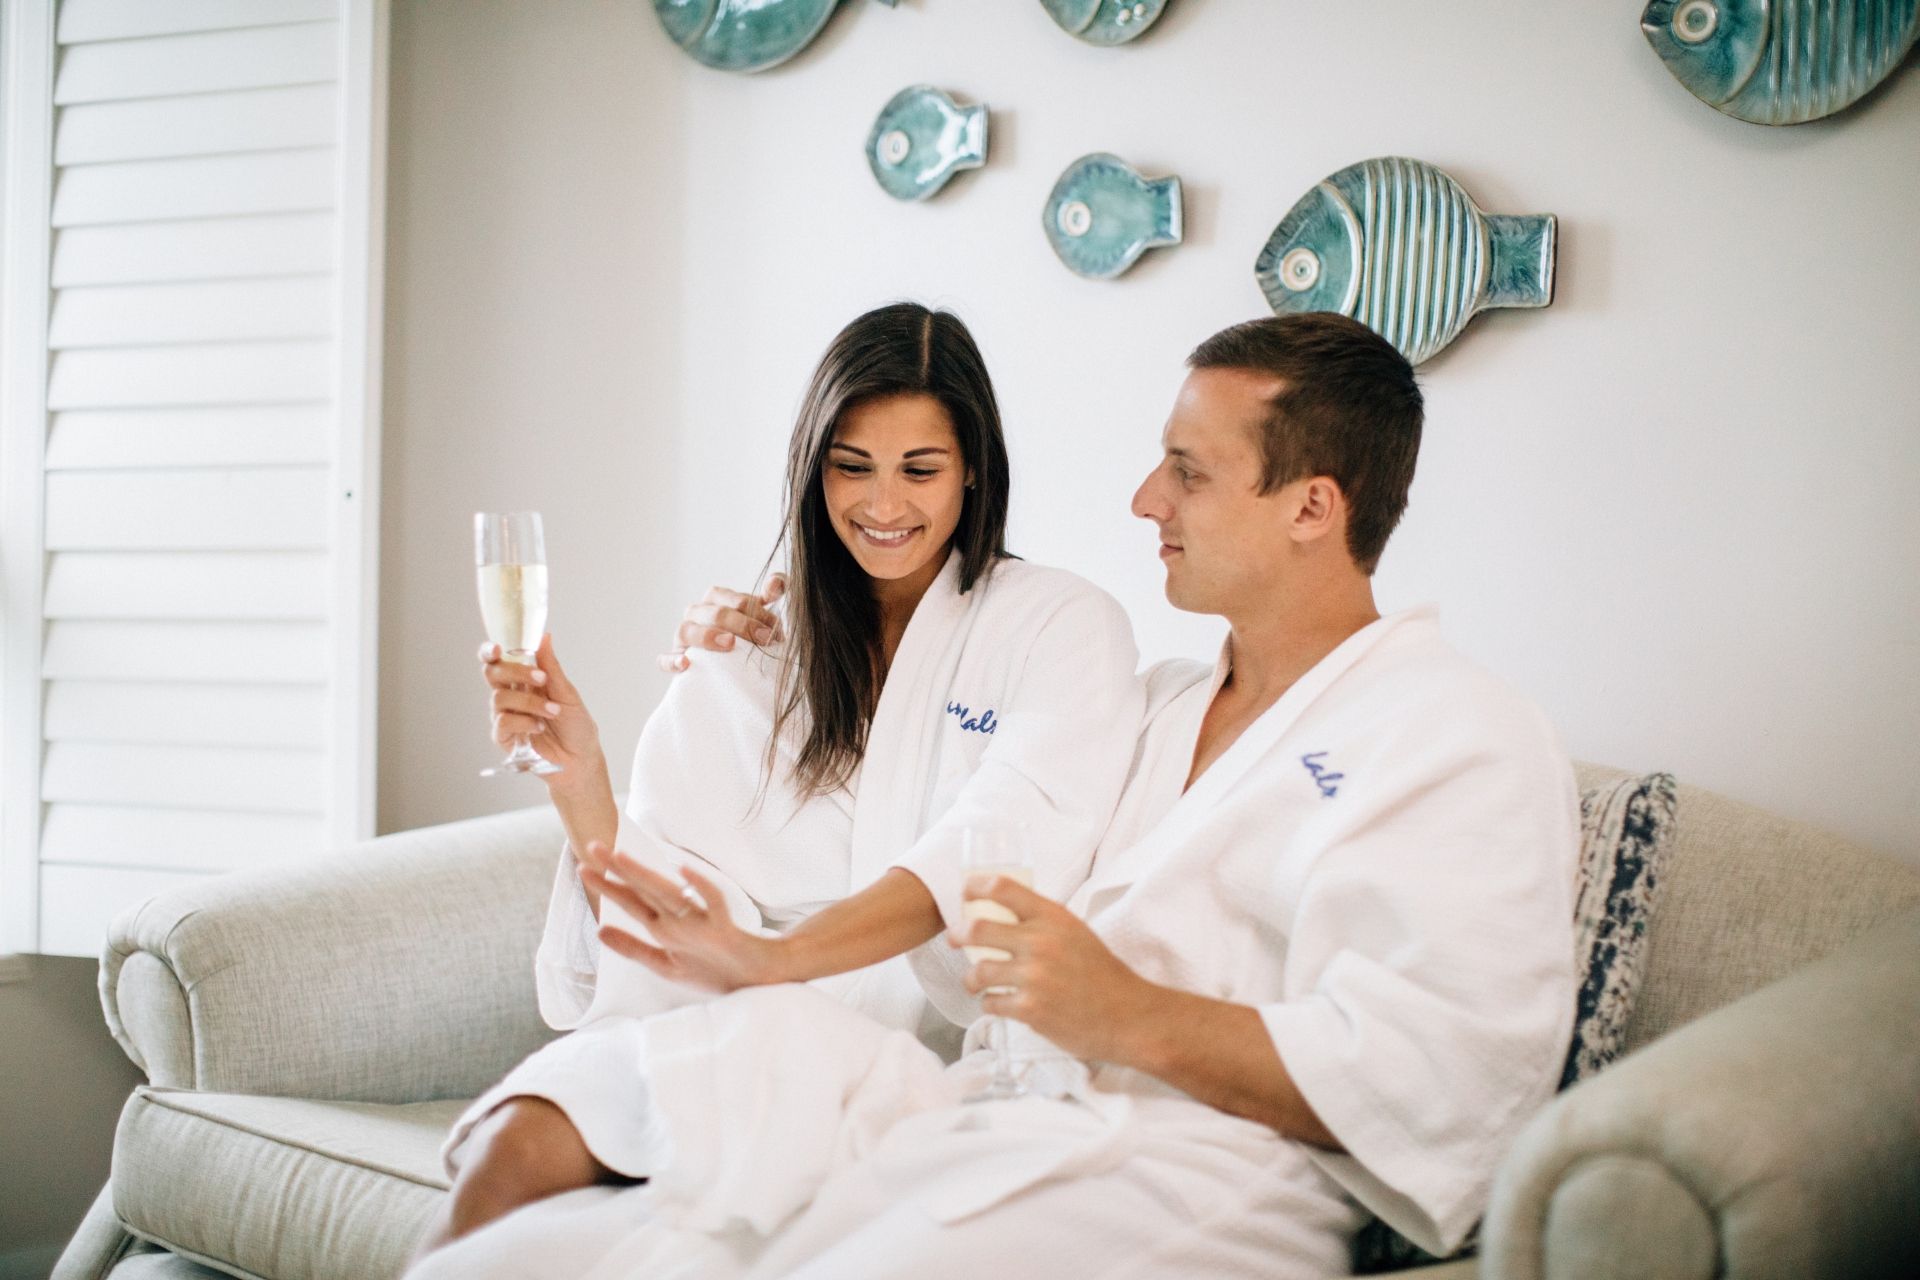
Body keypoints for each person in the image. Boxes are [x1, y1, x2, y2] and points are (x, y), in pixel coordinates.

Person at [412, 311, 1580, 1280]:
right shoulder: (1167, 700)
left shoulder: (1455, 732)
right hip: (993, 1108)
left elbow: (1445, 1069)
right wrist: (722, 682)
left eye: (1186, 470)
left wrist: (1122, 1011)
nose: (1142, 499)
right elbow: (958, 803)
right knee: (575, 1247)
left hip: (1197, 1168)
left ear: (1313, 506)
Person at [408, 303, 1144, 1264]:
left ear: (975, 470)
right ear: (812, 468)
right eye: (851, 466)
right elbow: (666, 885)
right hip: (722, 1017)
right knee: (511, 1144)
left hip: (890, 1054)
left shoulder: (1060, 625)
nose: (884, 505)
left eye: (920, 469)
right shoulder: (761, 637)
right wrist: (577, 770)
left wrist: (773, 965)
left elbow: (998, 843)